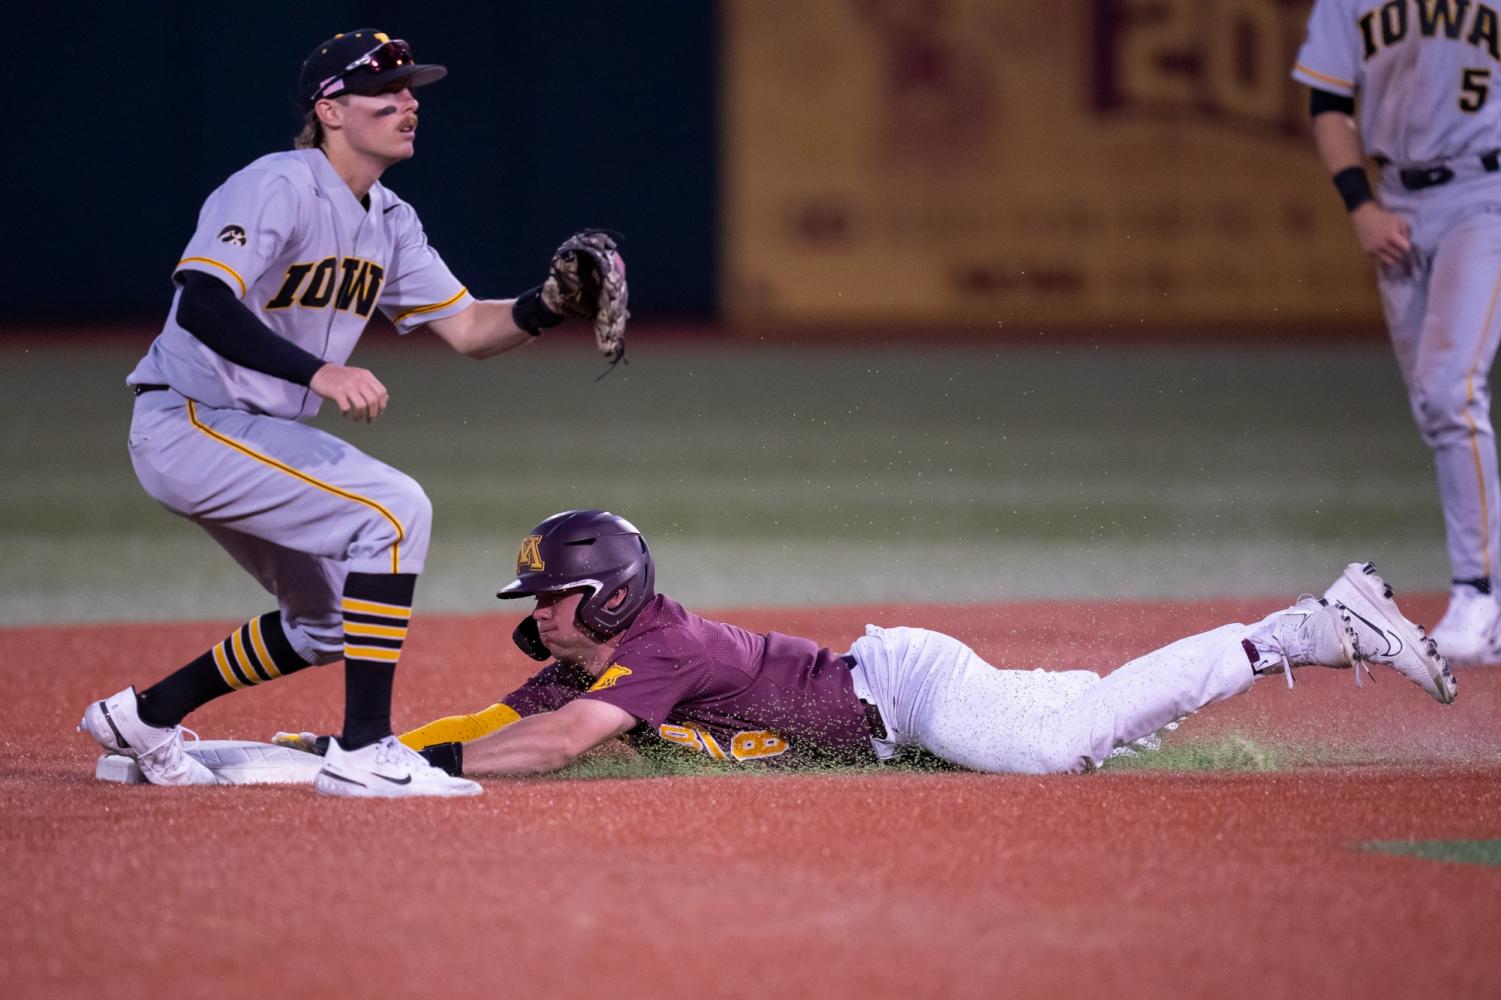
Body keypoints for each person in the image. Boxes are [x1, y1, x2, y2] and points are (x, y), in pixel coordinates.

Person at [77, 30, 615, 798]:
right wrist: (319, 370)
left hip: (251, 432)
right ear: (330, 110)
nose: (408, 104)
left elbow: (466, 329)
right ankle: (364, 752)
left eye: (412, 90)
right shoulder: (277, 185)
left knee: (327, 623)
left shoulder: (390, 219)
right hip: (190, 420)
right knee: (394, 513)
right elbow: (202, 301)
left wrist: (547, 306)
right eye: (385, 93)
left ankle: (145, 717)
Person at [347, 509, 1457, 779]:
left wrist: (409, 769)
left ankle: (1297, 629)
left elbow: (554, 744)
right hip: (892, 697)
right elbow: (497, 723)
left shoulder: (657, 651)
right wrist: (350, 745)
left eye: (552, 595)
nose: (536, 610)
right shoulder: (599, 653)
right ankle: (1289, 633)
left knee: (1052, 752)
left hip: (904, 696)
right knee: (1089, 726)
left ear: (609, 595)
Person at [1293, 1, 1501, 667]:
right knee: (1433, 404)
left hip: (1485, 193)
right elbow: (1326, 100)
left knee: (1449, 392)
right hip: (1397, 205)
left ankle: (1481, 595)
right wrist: (1361, 205)